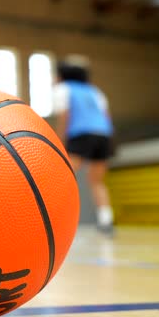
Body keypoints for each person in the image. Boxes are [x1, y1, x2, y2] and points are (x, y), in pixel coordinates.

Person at [53, 60, 115, 233]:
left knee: (63, 178)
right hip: (103, 135)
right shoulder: (95, 91)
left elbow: (65, 116)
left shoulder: (63, 89)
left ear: (62, 76)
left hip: (81, 134)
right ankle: (106, 221)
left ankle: (54, 220)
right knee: (96, 181)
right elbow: (106, 117)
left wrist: (60, 142)